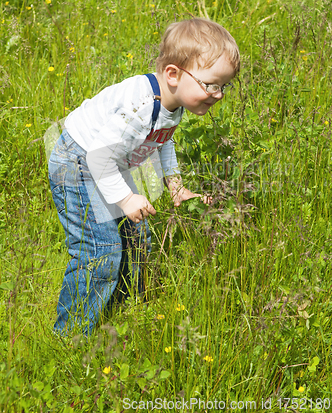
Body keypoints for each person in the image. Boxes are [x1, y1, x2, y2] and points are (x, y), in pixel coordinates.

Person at [48, 17, 240, 336]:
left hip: (108, 164)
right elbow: (97, 156)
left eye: (224, 85)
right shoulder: (141, 105)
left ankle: (123, 310)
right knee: (100, 252)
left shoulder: (173, 104)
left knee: (138, 240)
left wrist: (176, 188)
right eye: (210, 84)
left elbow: (164, 140)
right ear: (173, 74)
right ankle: (71, 336)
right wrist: (125, 198)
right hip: (79, 162)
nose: (218, 94)